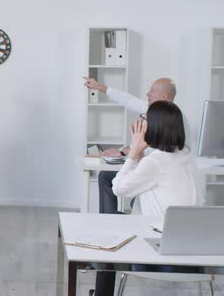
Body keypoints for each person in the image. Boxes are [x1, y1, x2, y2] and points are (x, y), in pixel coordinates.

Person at [93, 100, 197, 296]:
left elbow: (118, 188)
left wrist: (133, 152)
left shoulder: (155, 162)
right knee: (119, 213)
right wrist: (137, 153)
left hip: (156, 255)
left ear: (154, 126)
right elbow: (150, 168)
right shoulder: (185, 154)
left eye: (144, 119)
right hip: (186, 249)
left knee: (107, 232)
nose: (140, 123)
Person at [82, 77, 187, 214]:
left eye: (152, 91)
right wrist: (125, 151)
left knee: (116, 183)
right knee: (110, 178)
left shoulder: (168, 134)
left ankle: (109, 222)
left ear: (164, 96)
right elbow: (129, 100)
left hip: (157, 187)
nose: (147, 94)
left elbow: (120, 187)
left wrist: (130, 153)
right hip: (156, 181)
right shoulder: (164, 117)